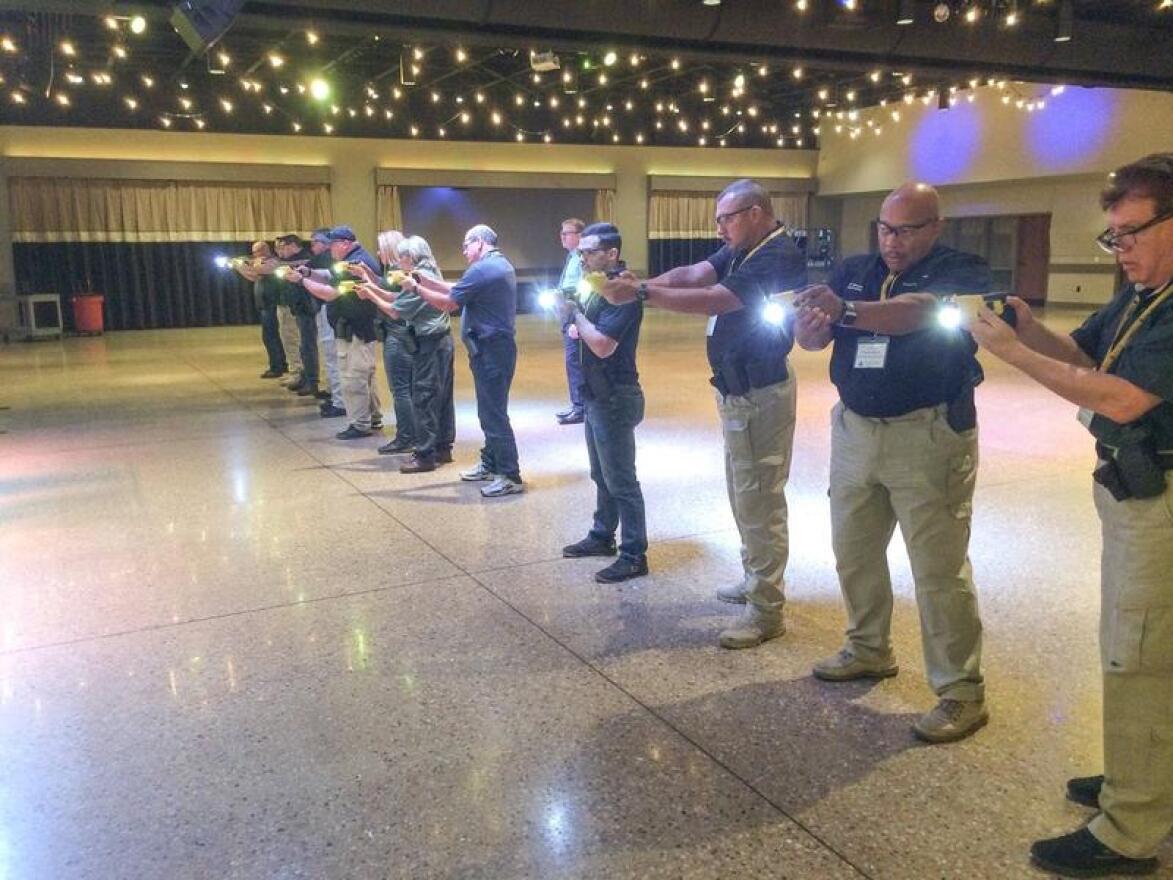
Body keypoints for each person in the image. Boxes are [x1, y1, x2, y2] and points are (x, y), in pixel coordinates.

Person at [970, 153, 1173, 878]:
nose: (1119, 251)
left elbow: (1119, 398)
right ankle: (1143, 780)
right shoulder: (1145, 291)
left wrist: (1008, 357)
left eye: (1131, 234)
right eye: (1111, 238)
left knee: (1139, 657)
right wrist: (1024, 328)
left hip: (1162, 501)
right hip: (1132, 491)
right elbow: (1085, 354)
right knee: (1138, 646)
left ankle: (1130, 829)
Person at [793, 182, 991, 744]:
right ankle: (868, 647)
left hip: (926, 436)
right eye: (884, 228)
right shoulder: (854, 268)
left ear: (936, 227)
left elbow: (917, 313)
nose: (892, 241)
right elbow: (812, 338)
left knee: (937, 569)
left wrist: (848, 308)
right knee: (853, 550)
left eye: (906, 230)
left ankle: (960, 691)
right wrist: (807, 330)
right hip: (855, 429)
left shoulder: (963, 270)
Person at [599, 179, 806, 647]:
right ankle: (756, 580)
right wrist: (643, 284)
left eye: (726, 218)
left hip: (761, 392)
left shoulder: (777, 255)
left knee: (760, 499)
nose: (720, 228)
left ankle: (766, 608)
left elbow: (717, 299)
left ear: (756, 212)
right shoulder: (740, 248)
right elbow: (695, 274)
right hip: (736, 393)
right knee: (742, 492)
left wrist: (642, 296)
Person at [399, 224, 523, 498]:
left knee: (493, 414)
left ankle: (509, 474)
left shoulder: (483, 268)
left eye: (466, 246)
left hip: (491, 351)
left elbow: (449, 303)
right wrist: (424, 280)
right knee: (489, 411)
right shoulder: (496, 265)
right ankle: (491, 464)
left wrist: (416, 288)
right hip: (493, 350)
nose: (464, 251)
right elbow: (458, 288)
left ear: (479, 242)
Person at [558, 222, 648, 583]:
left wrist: (574, 314)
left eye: (589, 251)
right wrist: (570, 314)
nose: (582, 257)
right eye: (580, 252)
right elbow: (576, 331)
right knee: (601, 474)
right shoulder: (595, 286)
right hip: (596, 394)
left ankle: (634, 553)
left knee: (622, 480)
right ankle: (601, 535)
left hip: (616, 395)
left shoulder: (622, 291)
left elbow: (602, 344)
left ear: (611, 254)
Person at [355, 235, 456, 473]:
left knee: (424, 397)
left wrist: (371, 295)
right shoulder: (428, 273)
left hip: (430, 344)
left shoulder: (418, 278)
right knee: (442, 398)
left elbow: (395, 311)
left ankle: (425, 454)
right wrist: (373, 288)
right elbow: (398, 299)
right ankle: (442, 447)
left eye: (401, 258)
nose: (399, 262)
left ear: (410, 257)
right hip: (442, 342)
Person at [294, 225, 383, 440]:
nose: (328, 249)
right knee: (364, 375)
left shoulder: (355, 263)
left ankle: (360, 424)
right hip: (356, 328)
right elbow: (330, 275)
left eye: (331, 245)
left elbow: (330, 293)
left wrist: (302, 280)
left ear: (344, 243)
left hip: (356, 329)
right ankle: (372, 417)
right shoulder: (352, 259)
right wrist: (309, 272)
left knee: (354, 377)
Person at [373, 230, 416, 455]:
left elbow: (393, 306)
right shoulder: (402, 272)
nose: (378, 252)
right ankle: (413, 433)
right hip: (406, 336)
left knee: (400, 389)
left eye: (381, 248)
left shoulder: (396, 274)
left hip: (397, 335)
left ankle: (405, 436)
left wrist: (370, 294)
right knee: (408, 388)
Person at [307, 228, 347, 418]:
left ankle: (340, 401)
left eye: (315, 242)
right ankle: (336, 396)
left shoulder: (334, 260)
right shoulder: (329, 261)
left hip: (330, 309)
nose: (312, 246)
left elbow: (330, 286)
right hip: (325, 309)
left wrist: (303, 279)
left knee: (333, 356)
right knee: (331, 357)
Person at [275, 234, 319, 398]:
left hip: (306, 307)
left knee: (308, 345)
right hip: (297, 307)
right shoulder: (289, 261)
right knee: (302, 345)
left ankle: (312, 381)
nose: (280, 251)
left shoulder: (306, 259)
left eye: (283, 247)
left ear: (293, 245)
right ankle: (305, 376)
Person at [234, 240, 285, 379]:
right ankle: (280, 363)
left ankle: (277, 366)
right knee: (270, 336)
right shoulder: (260, 263)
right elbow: (253, 276)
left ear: (264, 250)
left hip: (272, 304)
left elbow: (261, 270)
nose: (254, 254)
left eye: (256, 252)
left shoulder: (273, 262)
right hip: (264, 304)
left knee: (271, 336)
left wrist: (245, 264)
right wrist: (239, 267)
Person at [554, 217, 586, 425]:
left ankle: (581, 407)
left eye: (567, 233)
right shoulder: (571, 257)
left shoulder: (583, 259)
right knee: (571, 362)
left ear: (579, 236)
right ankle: (577, 404)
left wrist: (578, 320)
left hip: (576, 315)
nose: (562, 236)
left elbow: (585, 291)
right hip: (567, 313)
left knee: (576, 361)